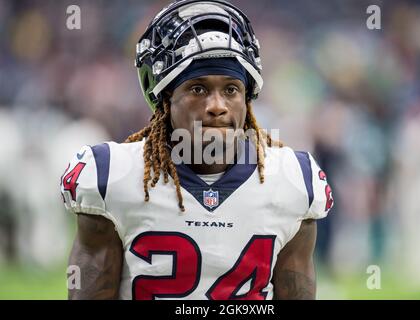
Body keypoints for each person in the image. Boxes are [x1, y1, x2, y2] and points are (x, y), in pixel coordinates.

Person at [60, 0, 333, 300]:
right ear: (165, 99)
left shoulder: (292, 180)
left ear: (247, 99)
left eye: (231, 89)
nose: (217, 106)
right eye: (198, 89)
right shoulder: (113, 176)